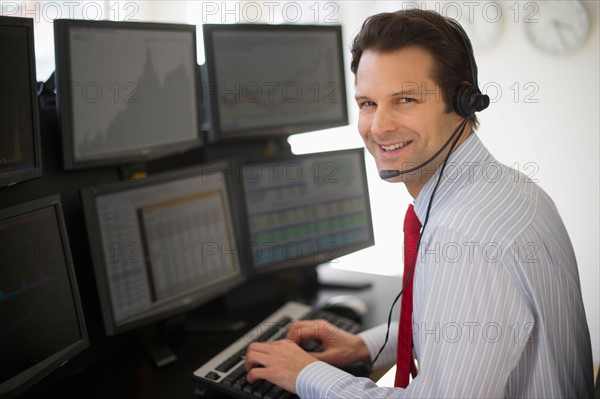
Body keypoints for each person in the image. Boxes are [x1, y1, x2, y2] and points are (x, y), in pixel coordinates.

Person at [244, 9, 594, 398]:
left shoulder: (462, 241)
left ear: (462, 101)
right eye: (368, 103)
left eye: (405, 99)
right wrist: (366, 345)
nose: (379, 127)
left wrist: (306, 374)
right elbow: (470, 332)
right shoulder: (513, 189)